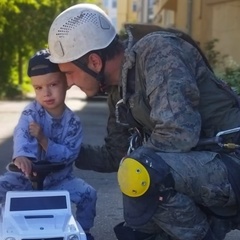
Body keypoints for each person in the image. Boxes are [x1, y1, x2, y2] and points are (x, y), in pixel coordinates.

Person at [47, 3, 240, 240]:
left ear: (94, 62)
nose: (68, 83)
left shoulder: (158, 51)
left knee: (141, 171)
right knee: (137, 228)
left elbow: (179, 133)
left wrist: (138, 164)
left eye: (69, 73)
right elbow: (115, 155)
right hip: (200, 169)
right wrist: (59, 151)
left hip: (230, 163)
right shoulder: (119, 93)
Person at [0, 49, 96, 240]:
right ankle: (5, 230)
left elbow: (69, 155)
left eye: (53, 84)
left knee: (88, 194)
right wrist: (22, 156)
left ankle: (83, 232)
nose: (47, 93)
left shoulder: (73, 122)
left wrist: (44, 140)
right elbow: (21, 134)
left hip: (58, 180)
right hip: (24, 179)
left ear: (66, 83)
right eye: (39, 88)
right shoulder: (31, 113)